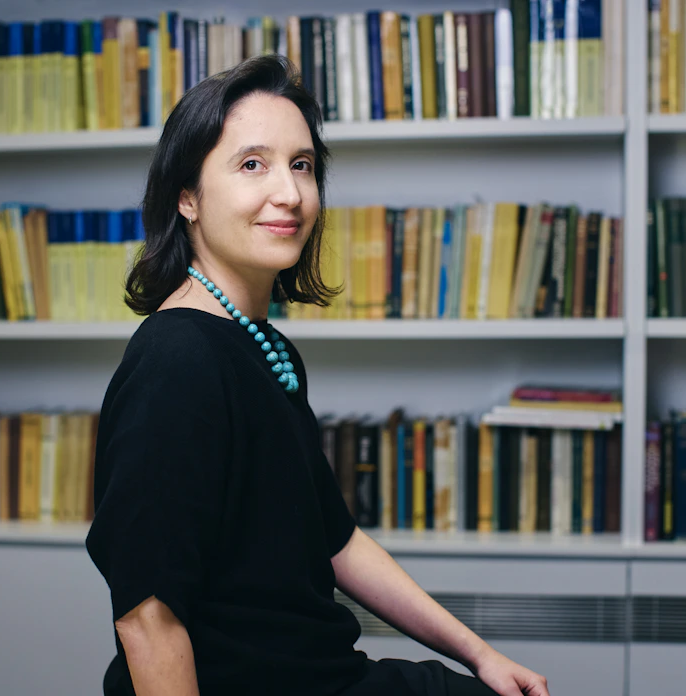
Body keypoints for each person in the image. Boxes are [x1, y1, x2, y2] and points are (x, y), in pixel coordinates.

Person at [85, 54, 551, 696]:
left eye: (302, 165)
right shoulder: (176, 360)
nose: (291, 193)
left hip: (320, 673)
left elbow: (337, 541)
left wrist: (480, 654)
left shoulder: (264, 345)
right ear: (187, 197)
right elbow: (147, 616)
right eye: (253, 164)